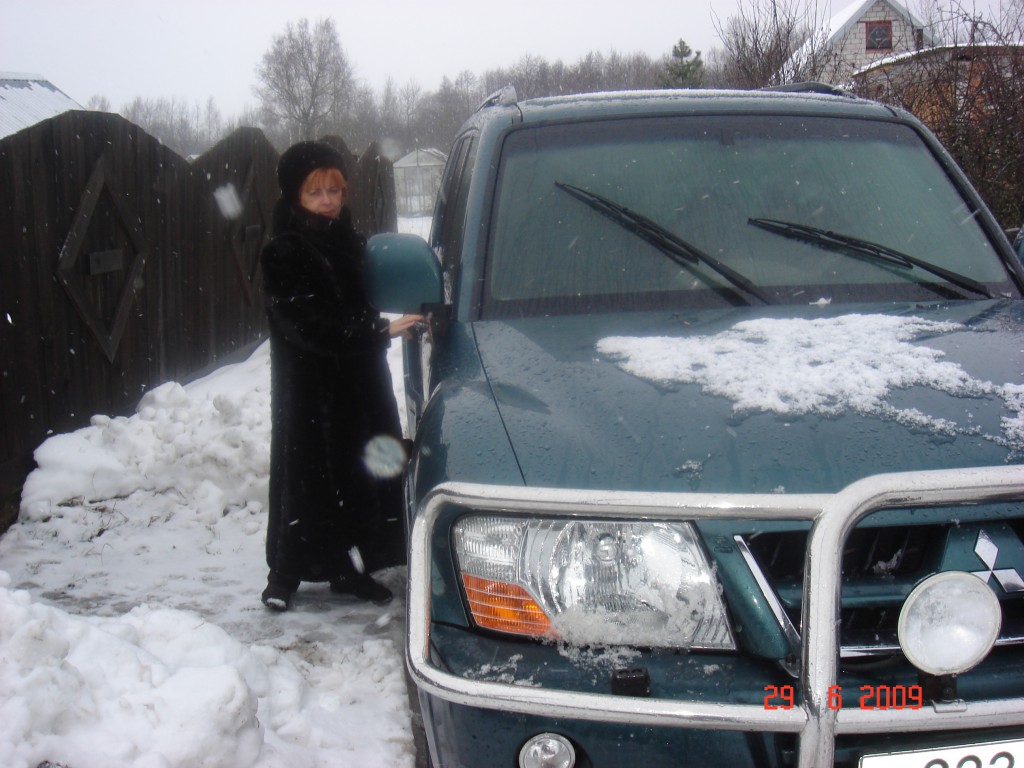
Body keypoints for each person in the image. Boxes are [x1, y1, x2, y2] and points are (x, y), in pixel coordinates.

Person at [259, 140, 423, 612]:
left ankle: (348, 571)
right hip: (312, 388)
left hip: (357, 385)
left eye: (336, 189)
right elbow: (309, 325)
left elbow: (370, 298)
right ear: (295, 196)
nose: (329, 200)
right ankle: (284, 575)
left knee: (360, 475)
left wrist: (409, 311)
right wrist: (377, 330)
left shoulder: (349, 241)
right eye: (316, 192)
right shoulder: (284, 252)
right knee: (308, 479)